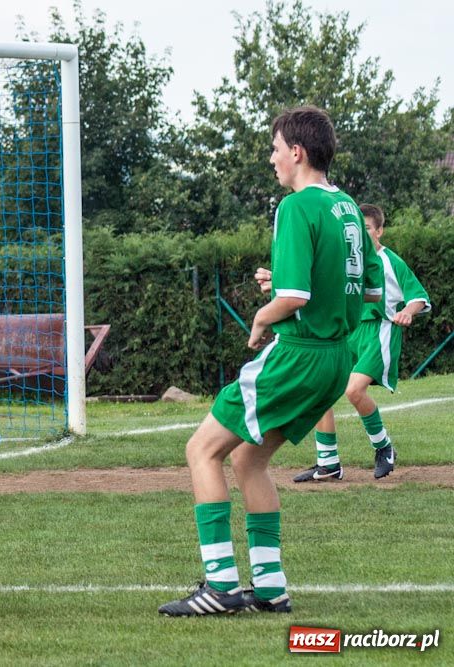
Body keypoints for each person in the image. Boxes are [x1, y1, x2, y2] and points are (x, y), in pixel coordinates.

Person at [158, 106, 382, 617]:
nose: (272, 158)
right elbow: (367, 290)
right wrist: (281, 288)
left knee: (202, 451)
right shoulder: (348, 208)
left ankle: (219, 586)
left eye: (276, 148)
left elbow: (295, 299)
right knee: (248, 460)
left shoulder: (295, 207)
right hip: (336, 357)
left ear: (297, 152)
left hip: (298, 354)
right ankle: (271, 588)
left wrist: (263, 317)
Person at [293, 204, 430, 482]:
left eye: (367, 228)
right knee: (322, 390)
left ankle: (384, 448)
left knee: (354, 391)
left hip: (379, 332)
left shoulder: (390, 261)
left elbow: (417, 296)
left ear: (379, 230)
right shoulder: (347, 262)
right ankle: (328, 462)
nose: (362, 234)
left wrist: (407, 311)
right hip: (349, 331)